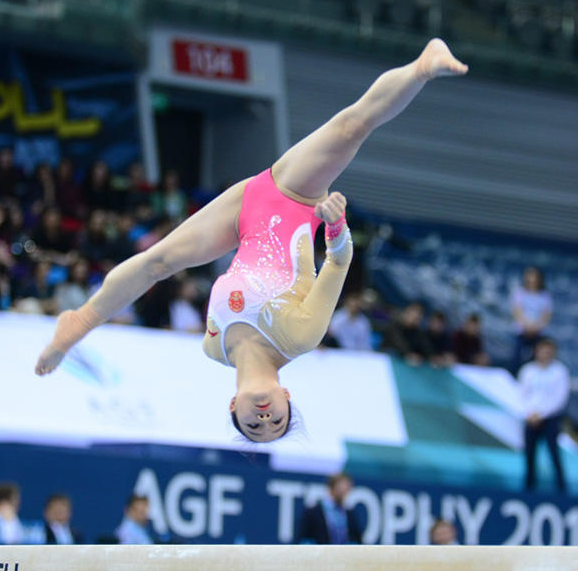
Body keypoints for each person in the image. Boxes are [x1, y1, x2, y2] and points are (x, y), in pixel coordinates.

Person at [35, 39, 468, 442]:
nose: (264, 416)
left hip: (241, 215)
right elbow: (338, 264)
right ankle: (421, 68)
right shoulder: (300, 337)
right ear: (287, 399)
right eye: (276, 420)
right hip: (293, 197)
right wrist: (334, 226)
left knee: (158, 261)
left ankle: (80, 322)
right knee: (351, 127)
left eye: (253, 424)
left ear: (232, 407)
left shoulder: (212, 344)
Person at [518, 338, 569, 493]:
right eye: (542, 351)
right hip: (530, 418)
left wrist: (542, 414)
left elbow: (560, 397)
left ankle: (562, 490)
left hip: (551, 419)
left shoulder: (560, 371)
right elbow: (521, 395)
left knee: (554, 454)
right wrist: (530, 413)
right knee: (529, 455)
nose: (545, 354)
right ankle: (529, 489)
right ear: (536, 351)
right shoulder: (527, 371)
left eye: (548, 351)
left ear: (553, 353)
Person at [296, 473, 362, 544]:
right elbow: (303, 539)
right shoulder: (312, 512)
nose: (344, 491)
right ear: (331, 488)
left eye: (347, 488)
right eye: (340, 487)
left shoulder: (350, 514)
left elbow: (357, 540)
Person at [511, 266, 552, 373]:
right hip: (522, 332)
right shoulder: (519, 292)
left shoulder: (545, 296)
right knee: (516, 359)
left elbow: (546, 316)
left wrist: (535, 327)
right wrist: (527, 326)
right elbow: (517, 312)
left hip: (538, 333)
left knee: (536, 361)